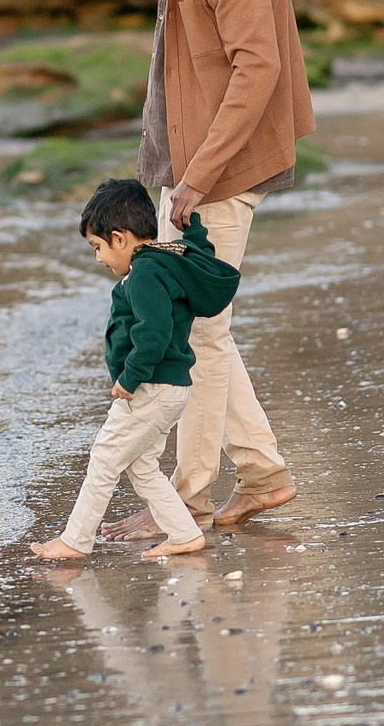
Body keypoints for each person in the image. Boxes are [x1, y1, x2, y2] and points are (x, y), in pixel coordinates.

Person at [99, 0, 314, 536]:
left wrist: (196, 177)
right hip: (192, 166)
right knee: (208, 330)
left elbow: (260, 67)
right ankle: (263, 474)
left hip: (218, 170)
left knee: (200, 334)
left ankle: (188, 500)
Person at [28, 178, 240, 563]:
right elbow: (200, 252)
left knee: (105, 458)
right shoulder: (168, 259)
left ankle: (76, 540)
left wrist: (129, 378)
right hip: (170, 388)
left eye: (98, 247)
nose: (98, 258)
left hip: (150, 387)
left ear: (120, 237)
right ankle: (184, 533)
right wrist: (193, 228)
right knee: (142, 467)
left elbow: (153, 332)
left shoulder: (144, 274)